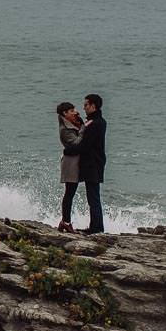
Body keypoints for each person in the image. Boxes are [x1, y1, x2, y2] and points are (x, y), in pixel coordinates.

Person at [75, 93, 107, 234]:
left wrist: (70, 151)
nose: (84, 107)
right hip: (95, 163)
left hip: (93, 164)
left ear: (93, 106)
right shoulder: (97, 121)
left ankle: (96, 228)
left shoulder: (96, 123)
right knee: (93, 196)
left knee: (93, 197)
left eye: (86, 105)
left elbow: (85, 144)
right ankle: (95, 226)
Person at [56, 101, 83, 232]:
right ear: (64, 113)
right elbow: (76, 144)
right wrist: (84, 129)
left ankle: (65, 221)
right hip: (70, 163)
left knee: (70, 192)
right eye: (71, 111)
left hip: (74, 162)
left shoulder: (72, 124)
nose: (75, 112)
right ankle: (66, 221)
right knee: (69, 193)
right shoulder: (65, 129)